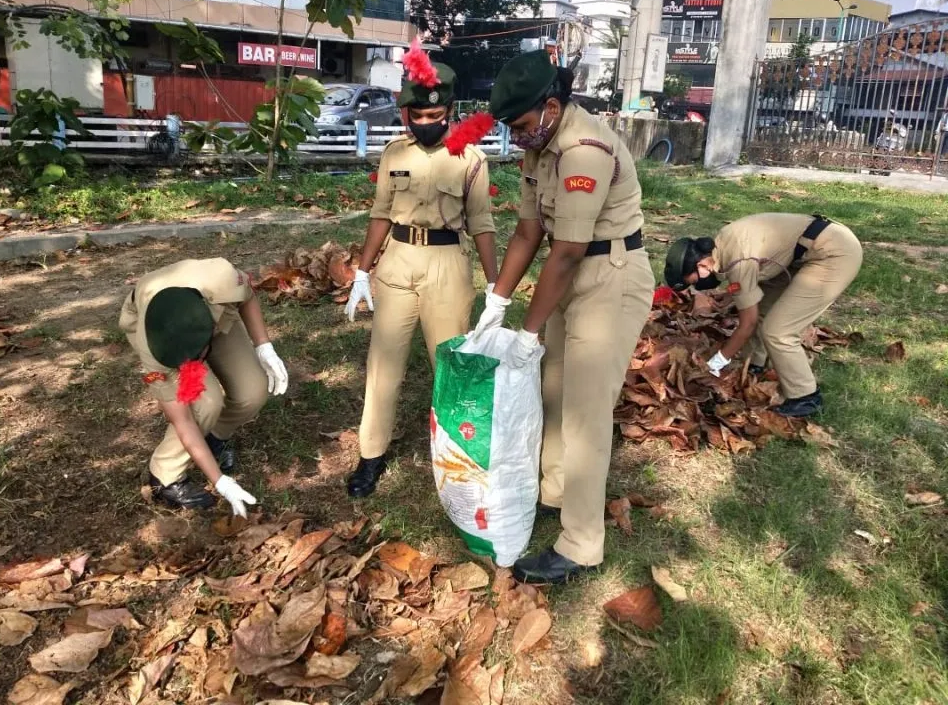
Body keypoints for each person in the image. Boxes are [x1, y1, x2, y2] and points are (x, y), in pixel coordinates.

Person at [473, 51, 654, 584]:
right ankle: (555, 492)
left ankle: (581, 543)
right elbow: (529, 232)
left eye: (521, 126)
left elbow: (569, 250)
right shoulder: (540, 146)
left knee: (585, 414)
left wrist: (527, 331)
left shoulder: (583, 152)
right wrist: (496, 302)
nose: (515, 138)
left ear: (551, 107)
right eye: (510, 129)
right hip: (571, 272)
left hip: (610, 275)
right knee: (551, 390)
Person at [344, 45, 499, 499]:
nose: (427, 122)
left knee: (450, 367)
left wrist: (496, 286)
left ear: (449, 111)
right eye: (419, 115)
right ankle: (371, 454)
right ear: (405, 113)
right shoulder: (394, 153)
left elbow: (482, 224)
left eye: (436, 114)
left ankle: (459, 456)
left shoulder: (471, 159)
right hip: (397, 262)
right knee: (383, 364)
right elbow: (380, 213)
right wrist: (362, 272)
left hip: (447, 267)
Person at [119, 258, 289, 517]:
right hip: (163, 325)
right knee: (205, 404)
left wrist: (264, 345)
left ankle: (214, 437)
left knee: (253, 389)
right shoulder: (155, 350)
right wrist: (219, 481)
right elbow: (183, 421)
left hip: (208, 308)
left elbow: (247, 295)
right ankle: (165, 475)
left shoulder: (223, 280)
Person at [663, 213, 862, 418]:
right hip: (806, 249)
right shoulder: (722, 246)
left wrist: (716, 363)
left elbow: (747, 324)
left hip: (834, 253)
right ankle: (754, 364)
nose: (698, 286)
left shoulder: (737, 261)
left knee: (778, 331)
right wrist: (732, 294)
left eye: (695, 281)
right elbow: (748, 277)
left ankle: (805, 397)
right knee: (762, 310)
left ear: (703, 265)